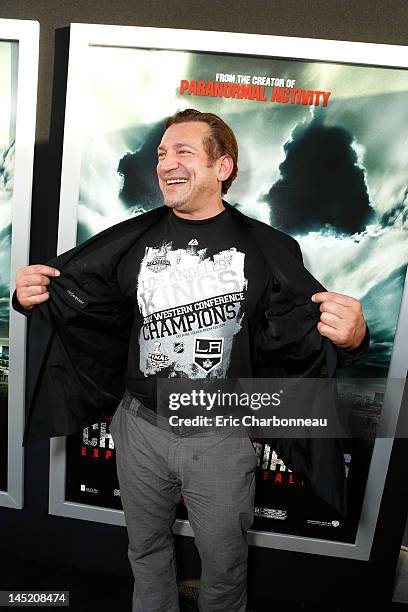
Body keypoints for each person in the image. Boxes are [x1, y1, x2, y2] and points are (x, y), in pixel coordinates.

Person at [15, 109, 368, 612]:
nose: (166, 163)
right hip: (140, 429)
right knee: (145, 551)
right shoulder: (130, 240)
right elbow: (81, 302)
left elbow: (304, 341)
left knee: (224, 567)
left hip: (220, 438)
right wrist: (29, 295)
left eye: (183, 152)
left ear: (222, 166)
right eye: (161, 153)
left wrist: (353, 339)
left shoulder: (268, 249)